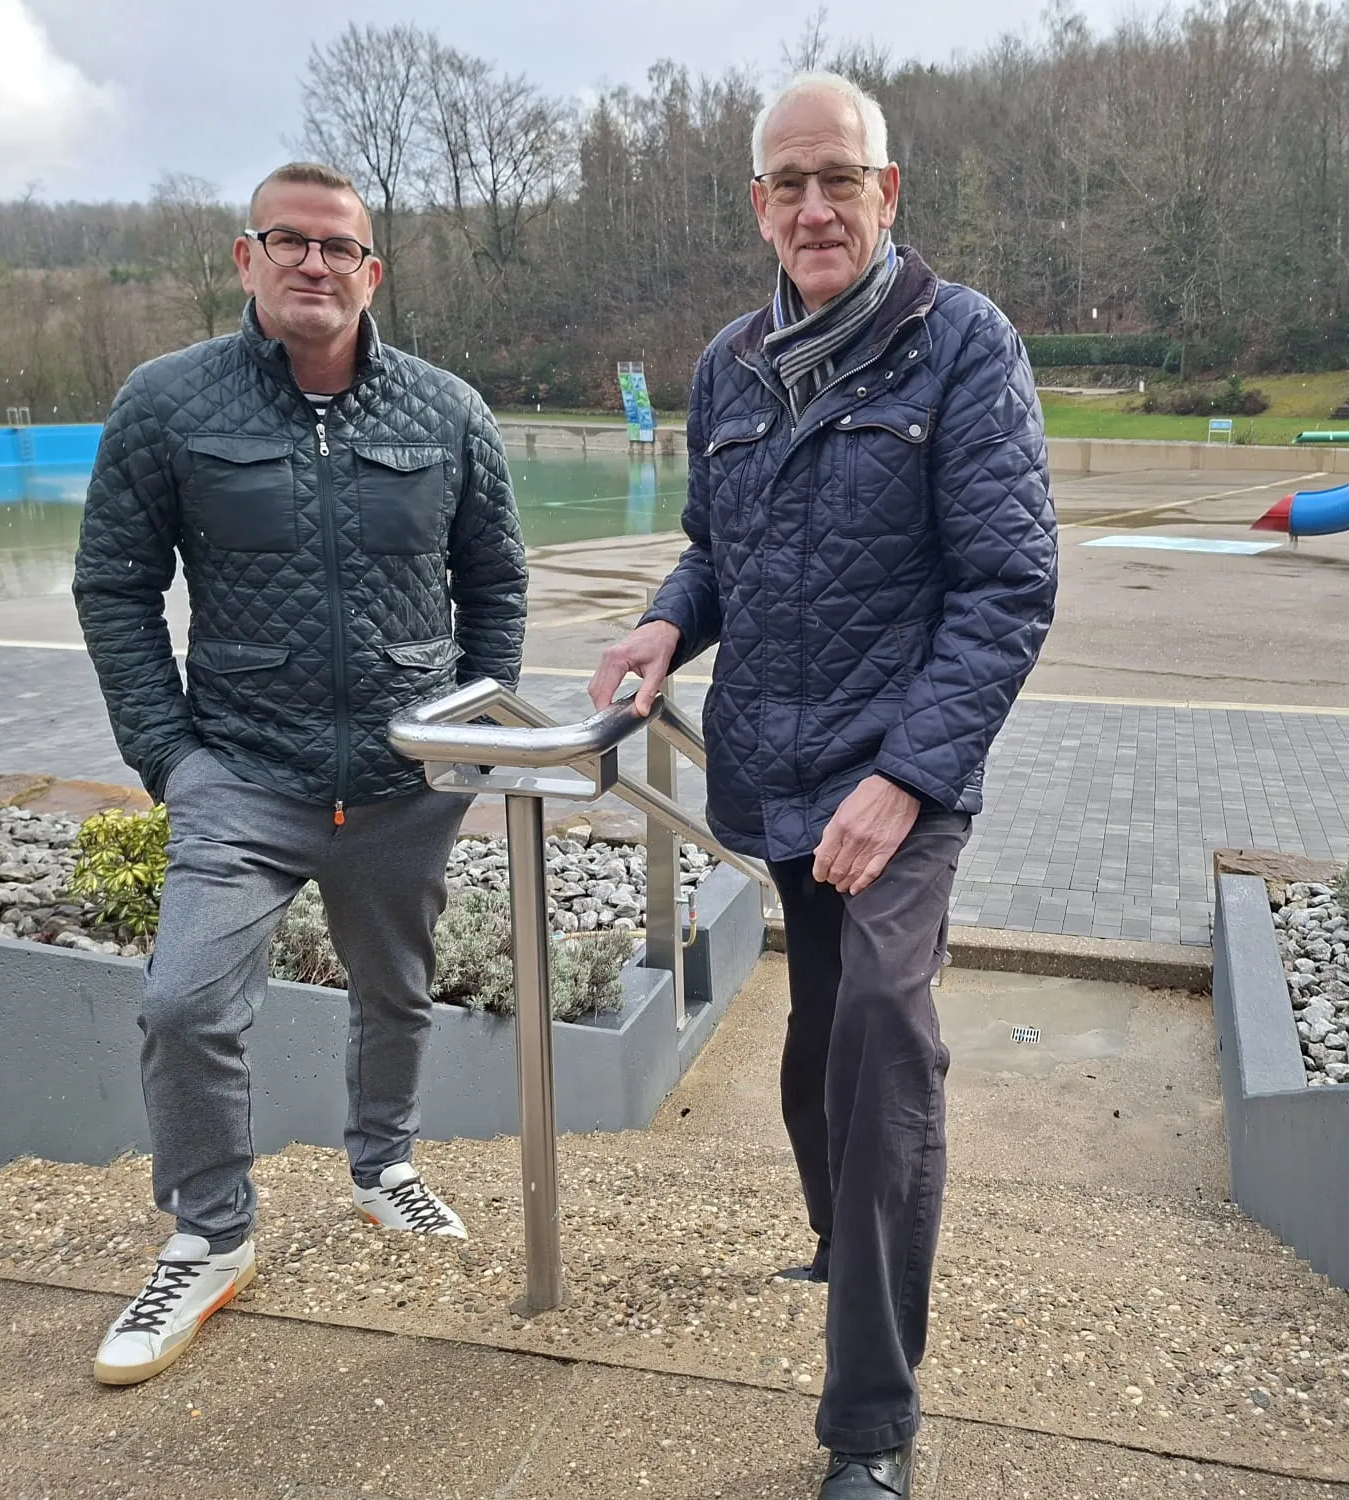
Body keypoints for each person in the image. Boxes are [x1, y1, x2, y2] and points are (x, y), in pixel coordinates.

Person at [588, 73, 1057, 1500]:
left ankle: (871, 1427)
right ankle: (842, 1233)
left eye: (837, 179)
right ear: (757, 209)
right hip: (778, 772)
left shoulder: (963, 344)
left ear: (887, 190)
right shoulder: (731, 367)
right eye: (787, 184)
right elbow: (715, 549)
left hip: (901, 783)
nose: (813, 207)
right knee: (813, 1038)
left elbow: (1007, 587)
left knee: (882, 1038)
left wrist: (907, 782)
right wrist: (671, 618)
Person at [74, 161, 527, 1387]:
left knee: (399, 989)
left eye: (339, 246)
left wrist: (471, 738)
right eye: (290, 242)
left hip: (405, 781)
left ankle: (384, 1166)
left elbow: (493, 584)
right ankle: (210, 1234)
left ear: (371, 271)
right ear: (247, 258)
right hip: (243, 779)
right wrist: (169, 757)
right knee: (184, 1005)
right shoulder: (166, 404)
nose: (314, 263)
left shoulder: (445, 411)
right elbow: (115, 587)